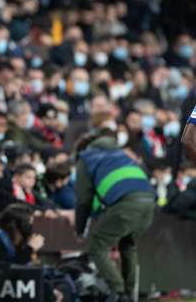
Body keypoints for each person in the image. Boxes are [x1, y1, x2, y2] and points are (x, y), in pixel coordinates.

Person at [74, 128, 155, 301]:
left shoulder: (86, 158)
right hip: (149, 202)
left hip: (126, 203)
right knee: (128, 246)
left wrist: (79, 230)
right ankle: (129, 293)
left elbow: (83, 200)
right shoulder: (121, 156)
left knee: (97, 248)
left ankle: (118, 292)